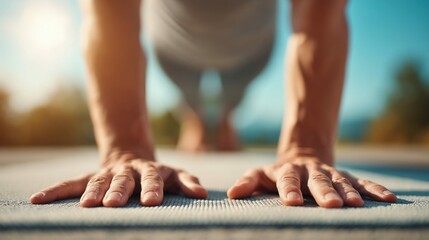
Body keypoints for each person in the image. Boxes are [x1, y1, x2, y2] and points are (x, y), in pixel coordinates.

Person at [30, 0, 397, 208]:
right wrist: (125, 150)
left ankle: (222, 116)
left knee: (227, 107)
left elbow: (321, 13)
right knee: (194, 107)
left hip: (249, 52)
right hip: (176, 50)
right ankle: (198, 117)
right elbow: (108, 12)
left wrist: (305, 148)